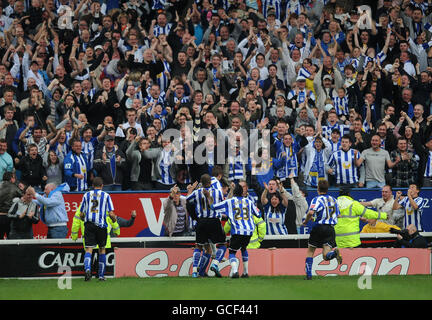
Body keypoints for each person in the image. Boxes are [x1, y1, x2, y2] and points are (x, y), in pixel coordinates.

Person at [212, 184, 261, 278]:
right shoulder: (249, 201)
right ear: (242, 192)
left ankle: (235, 271)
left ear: (234, 192)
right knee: (243, 248)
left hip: (238, 230)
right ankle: (246, 273)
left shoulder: (230, 201)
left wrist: (209, 199)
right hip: (249, 231)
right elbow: (258, 214)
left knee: (232, 252)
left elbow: (213, 207)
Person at [302, 180, 342, 280]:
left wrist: (306, 221)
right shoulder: (334, 200)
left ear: (318, 189)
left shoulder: (317, 199)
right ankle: (333, 254)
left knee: (311, 251)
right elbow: (339, 215)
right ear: (327, 189)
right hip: (330, 229)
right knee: (325, 256)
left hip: (319, 228)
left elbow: (311, 212)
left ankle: (309, 275)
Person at [186, 174, 225, 278]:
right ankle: (215, 264)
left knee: (199, 246)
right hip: (214, 221)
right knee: (222, 244)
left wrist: (191, 189)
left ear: (201, 183)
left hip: (202, 221)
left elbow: (187, 200)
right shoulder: (217, 192)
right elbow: (222, 202)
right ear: (211, 182)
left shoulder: (196, 192)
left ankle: (195, 271)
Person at [79, 177, 117, 281]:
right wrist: (114, 220)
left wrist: (83, 218)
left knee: (89, 249)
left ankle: (87, 270)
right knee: (102, 249)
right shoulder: (106, 196)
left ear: (92, 185)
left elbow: (81, 213)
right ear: (102, 186)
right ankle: (101, 275)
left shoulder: (86, 195)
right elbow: (111, 213)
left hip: (89, 225)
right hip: (101, 226)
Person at [71, 203, 120, 274]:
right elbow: (111, 218)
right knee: (101, 254)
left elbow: (76, 222)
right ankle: (100, 275)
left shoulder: (82, 206)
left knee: (89, 253)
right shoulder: (103, 204)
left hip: (88, 235)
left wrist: (74, 235)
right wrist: (117, 230)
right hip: (101, 234)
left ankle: (88, 271)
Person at [0, 171, 22, 239]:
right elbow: (23, 197)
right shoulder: (14, 187)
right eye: (14, 177)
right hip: (9, 216)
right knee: (11, 239)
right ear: (11, 178)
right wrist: (22, 189)